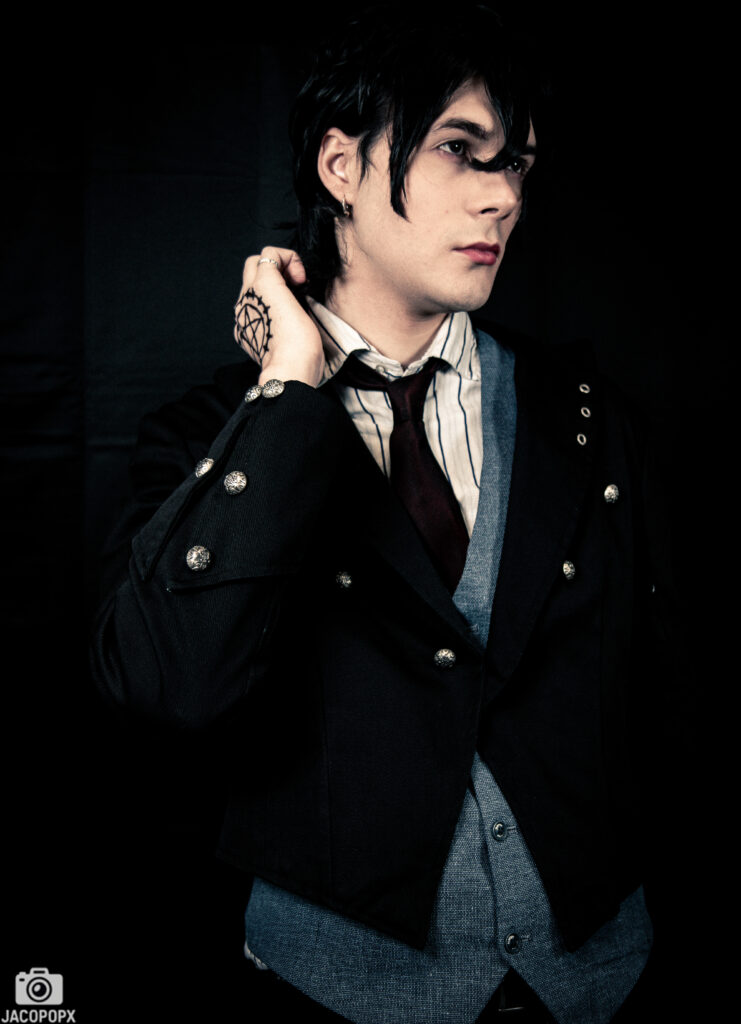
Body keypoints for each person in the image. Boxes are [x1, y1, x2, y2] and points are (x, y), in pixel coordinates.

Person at [91, 6, 672, 1021]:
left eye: (517, 165)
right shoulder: (210, 437)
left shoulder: (584, 418)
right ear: (341, 166)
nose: (503, 197)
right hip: (336, 992)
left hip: (599, 980)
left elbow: (664, 686)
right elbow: (170, 688)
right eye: (460, 150)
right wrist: (287, 392)